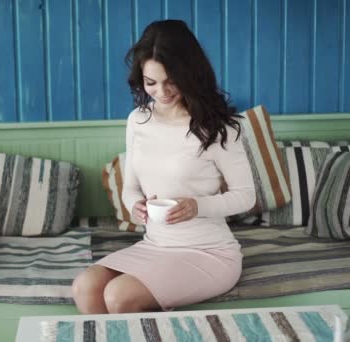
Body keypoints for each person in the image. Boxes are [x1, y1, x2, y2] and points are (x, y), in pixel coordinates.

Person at [72, 19, 256, 314]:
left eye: (171, 81)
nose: (162, 91)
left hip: (208, 252)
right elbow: (130, 188)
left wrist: (198, 206)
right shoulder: (138, 120)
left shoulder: (217, 128)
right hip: (155, 245)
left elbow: (246, 195)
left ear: (190, 73)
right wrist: (136, 207)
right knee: (85, 285)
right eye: (151, 82)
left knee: (119, 296)